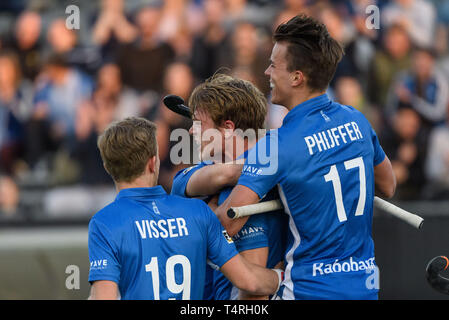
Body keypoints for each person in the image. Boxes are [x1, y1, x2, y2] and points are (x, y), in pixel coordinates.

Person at [214, 14, 396, 300]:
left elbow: (228, 221)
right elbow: (388, 185)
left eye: (274, 65)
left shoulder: (277, 145)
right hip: (365, 288)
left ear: (297, 77)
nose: (267, 72)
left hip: (309, 291)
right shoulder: (357, 120)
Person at [87, 117, 283, 300]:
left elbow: (104, 296)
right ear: (153, 162)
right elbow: (249, 281)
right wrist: (282, 276)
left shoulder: (104, 223)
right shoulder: (198, 211)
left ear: (107, 166)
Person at [170, 74, 287, 300]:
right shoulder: (249, 173)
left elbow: (252, 291)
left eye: (198, 123)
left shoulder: (242, 193)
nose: (191, 131)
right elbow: (190, 182)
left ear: (227, 128)